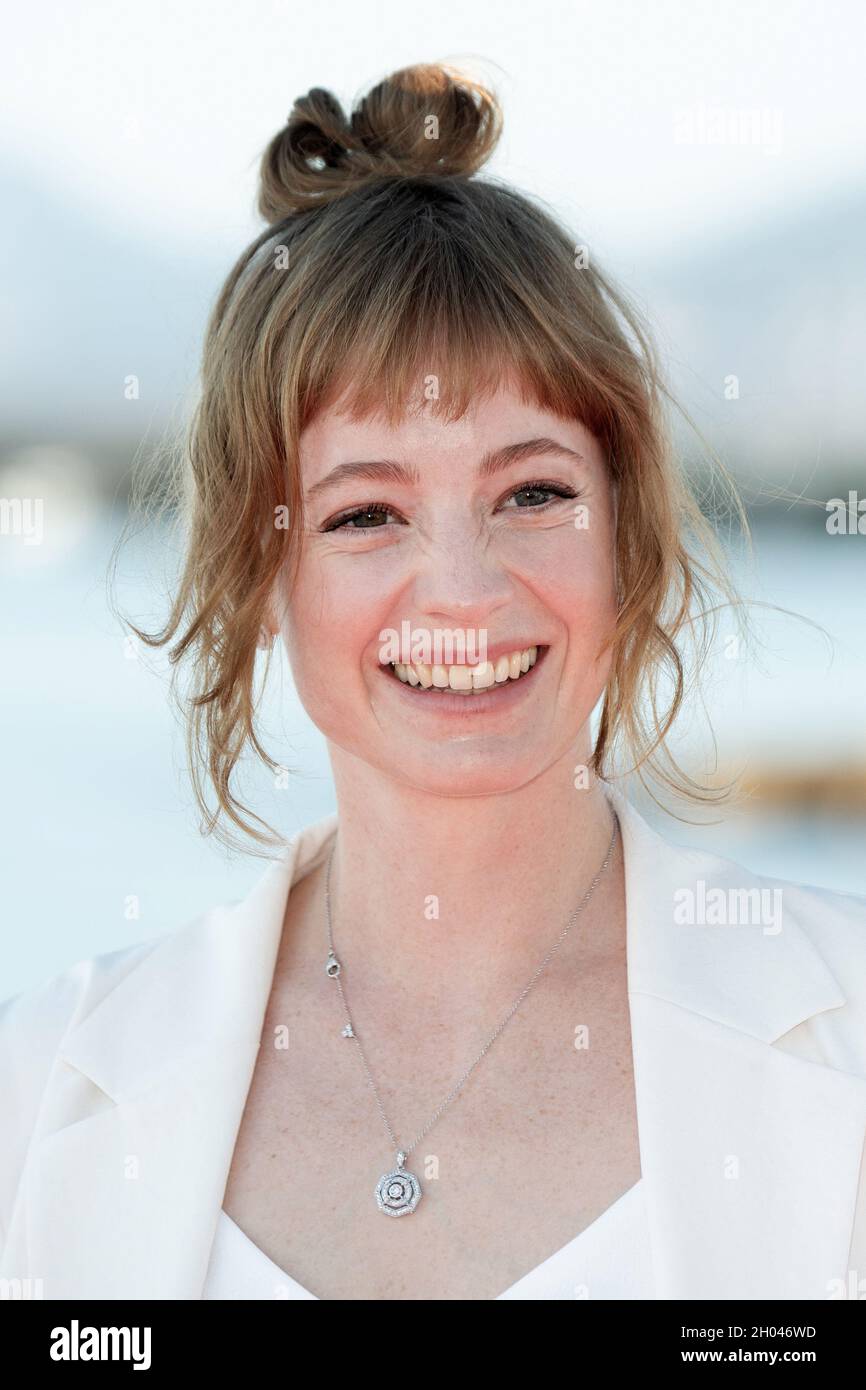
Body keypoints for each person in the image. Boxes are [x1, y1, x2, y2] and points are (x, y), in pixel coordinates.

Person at [2, 62, 865, 1303]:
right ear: (260, 566)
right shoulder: (39, 1092)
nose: (461, 589)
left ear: (626, 537)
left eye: (532, 492)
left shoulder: (842, 1045)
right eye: (365, 514)